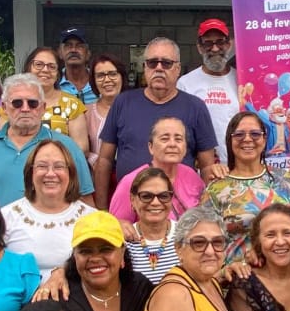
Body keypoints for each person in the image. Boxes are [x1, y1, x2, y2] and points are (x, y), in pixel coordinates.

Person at [96, 37, 220, 204]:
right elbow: (104, 159)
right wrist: (102, 208)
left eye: (166, 63)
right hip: (128, 205)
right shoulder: (123, 102)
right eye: (153, 63)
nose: (159, 68)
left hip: (179, 207)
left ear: (178, 69)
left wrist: (205, 209)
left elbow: (207, 166)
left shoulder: (196, 107)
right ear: (144, 67)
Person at [0, 73, 94, 204]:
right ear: (4, 108)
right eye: (17, 103)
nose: (25, 109)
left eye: (32, 103)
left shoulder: (67, 147)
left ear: (43, 108)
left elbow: (85, 201)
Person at [203, 110, 290, 263]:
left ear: (264, 139)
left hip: (284, 275)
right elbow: (205, 241)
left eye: (255, 134)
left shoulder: (283, 178)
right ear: (230, 141)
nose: (247, 139)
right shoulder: (216, 188)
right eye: (239, 134)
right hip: (239, 278)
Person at [1, 139, 97, 280]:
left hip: (74, 298)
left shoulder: (91, 218)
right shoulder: (5, 217)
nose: (50, 173)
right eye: (42, 166)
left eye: (59, 167)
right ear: (30, 173)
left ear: (70, 174)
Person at [109, 117, 206, 223]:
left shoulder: (191, 176)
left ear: (185, 147)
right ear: (150, 147)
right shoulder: (131, 182)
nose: (172, 144)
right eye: (165, 139)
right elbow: (116, 226)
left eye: (178, 139)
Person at [177, 17, 239, 159]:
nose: (215, 48)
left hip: (239, 166)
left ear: (229, 44)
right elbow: (180, 128)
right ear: (199, 48)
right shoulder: (185, 83)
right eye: (208, 43)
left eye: (220, 42)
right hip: (203, 167)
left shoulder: (241, 80)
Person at [24, 46, 92, 157]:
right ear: (28, 68)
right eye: (39, 64)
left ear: (57, 74)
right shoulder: (13, 102)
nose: (45, 70)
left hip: (59, 169)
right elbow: (2, 141)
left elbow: (81, 149)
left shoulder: (72, 104)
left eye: (52, 66)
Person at [125, 167, 181, 283]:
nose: (155, 202)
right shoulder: (124, 240)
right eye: (146, 196)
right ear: (132, 200)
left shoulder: (186, 235)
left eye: (163, 196)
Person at [85, 53, 126, 168]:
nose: (107, 80)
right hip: (95, 176)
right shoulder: (85, 112)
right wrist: (98, 162)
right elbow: (82, 149)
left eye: (113, 74)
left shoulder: (135, 108)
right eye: (100, 75)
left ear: (122, 76)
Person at [56, 27, 97, 104]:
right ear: (60, 53)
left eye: (79, 46)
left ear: (88, 53)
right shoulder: (54, 83)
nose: (73, 50)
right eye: (68, 46)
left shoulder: (99, 82)